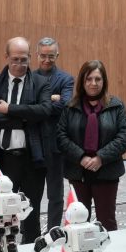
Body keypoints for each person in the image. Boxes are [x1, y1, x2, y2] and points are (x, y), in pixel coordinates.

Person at [0, 37, 52, 244]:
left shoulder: (40, 83)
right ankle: (5, 249)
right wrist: (24, 118)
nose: (20, 65)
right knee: (3, 211)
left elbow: (44, 111)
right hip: (3, 159)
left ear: (29, 58)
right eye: (15, 60)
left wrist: (9, 109)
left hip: (32, 158)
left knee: (31, 211)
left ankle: (30, 250)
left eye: (24, 60)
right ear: (6, 57)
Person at [57, 60, 126, 231]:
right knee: (78, 223)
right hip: (78, 171)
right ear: (82, 82)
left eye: (98, 79)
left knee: (107, 221)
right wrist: (81, 157)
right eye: (89, 79)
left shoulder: (116, 105)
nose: (93, 83)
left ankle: (110, 249)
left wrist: (100, 158)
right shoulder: (70, 107)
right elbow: (61, 136)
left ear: (104, 81)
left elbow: (124, 135)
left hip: (107, 171)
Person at [34, 37, 74, 229]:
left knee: (55, 194)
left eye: (51, 56)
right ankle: (30, 232)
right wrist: (51, 99)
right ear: (37, 55)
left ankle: (53, 230)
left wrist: (38, 103)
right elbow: (25, 103)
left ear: (57, 55)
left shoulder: (66, 79)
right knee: (31, 193)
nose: (47, 60)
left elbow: (64, 104)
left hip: (55, 146)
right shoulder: (29, 77)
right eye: (43, 55)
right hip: (32, 143)